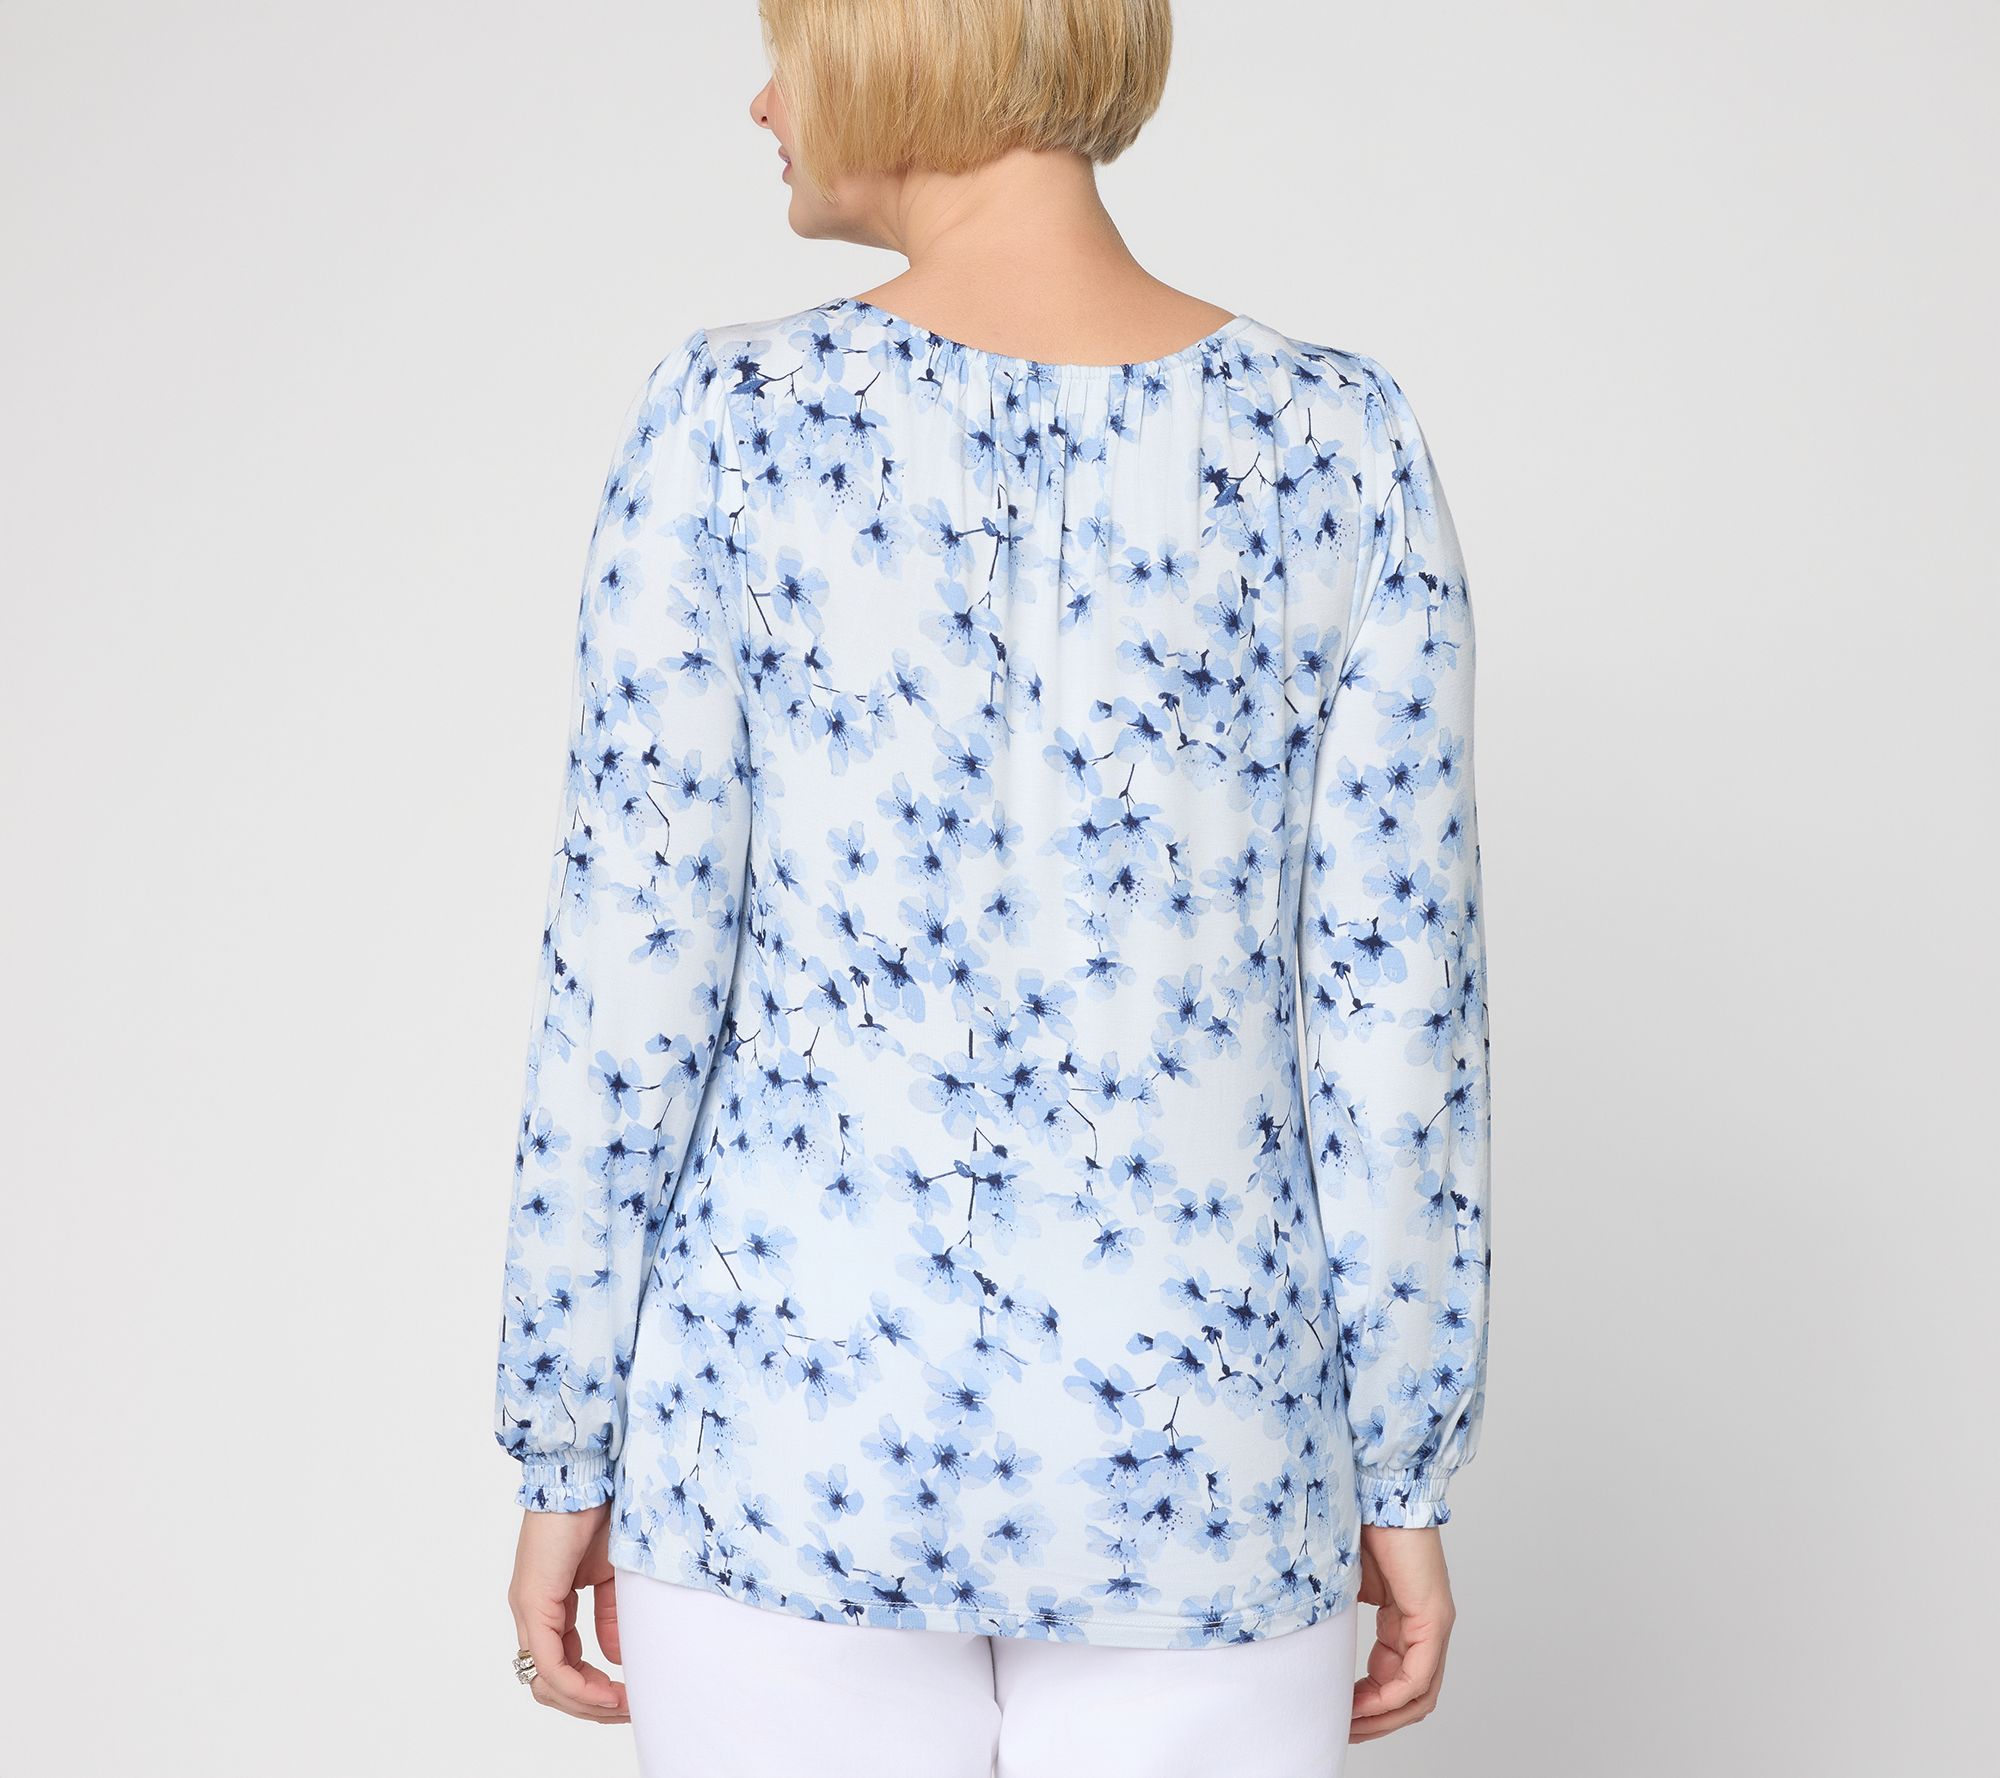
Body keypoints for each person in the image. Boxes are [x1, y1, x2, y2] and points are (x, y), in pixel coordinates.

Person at [493, 3, 1493, 1772]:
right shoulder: (1338, 443)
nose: (763, 99)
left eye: (791, 44)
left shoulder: (731, 422)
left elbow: (627, 981)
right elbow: (1397, 1020)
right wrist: (1400, 1468)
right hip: (1207, 1454)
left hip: (784, 1437)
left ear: (903, 47)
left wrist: (565, 1434)